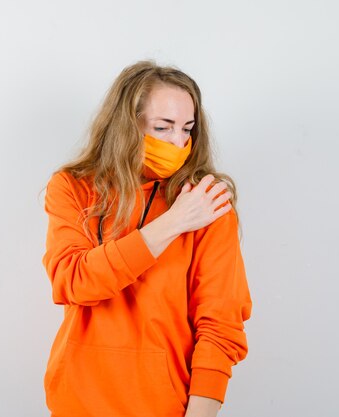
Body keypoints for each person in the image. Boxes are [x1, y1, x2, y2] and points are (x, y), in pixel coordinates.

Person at [40, 60, 252, 417]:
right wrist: (172, 223)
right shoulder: (73, 188)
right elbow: (73, 281)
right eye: (162, 127)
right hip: (74, 402)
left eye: (187, 129)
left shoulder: (206, 202)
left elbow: (220, 324)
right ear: (126, 124)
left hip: (163, 407)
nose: (178, 142)